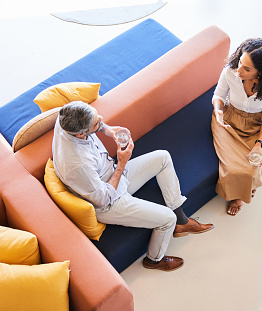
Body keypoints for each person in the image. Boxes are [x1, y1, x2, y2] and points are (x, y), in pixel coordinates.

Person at [52, 101, 214, 271]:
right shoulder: (77, 164)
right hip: (108, 202)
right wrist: (122, 163)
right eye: (96, 123)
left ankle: (181, 221)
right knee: (167, 219)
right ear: (80, 134)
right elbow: (103, 199)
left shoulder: (66, 116)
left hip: (112, 174)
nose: (100, 118)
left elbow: (93, 121)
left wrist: (107, 129)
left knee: (162, 157)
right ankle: (154, 260)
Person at [211, 38, 262, 216]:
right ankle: (243, 190)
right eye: (240, 63)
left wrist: (259, 144)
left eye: (247, 69)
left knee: (252, 167)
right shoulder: (230, 72)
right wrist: (218, 110)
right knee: (232, 168)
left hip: (256, 125)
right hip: (228, 119)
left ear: (261, 73)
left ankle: (242, 192)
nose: (239, 71)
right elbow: (218, 95)